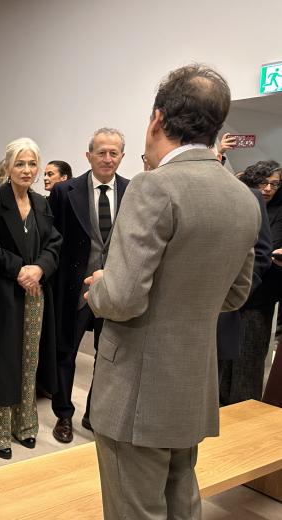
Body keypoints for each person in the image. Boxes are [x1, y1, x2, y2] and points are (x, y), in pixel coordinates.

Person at [85, 64, 260, 519]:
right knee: (182, 500)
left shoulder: (153, 186)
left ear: (157, 119)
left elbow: (122, 298)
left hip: (136, 390)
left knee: (134, 508)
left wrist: (100, 288)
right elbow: (236, 294)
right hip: (192, 383)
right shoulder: (242, 196)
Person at [0, 138, 61, 459]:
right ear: (8, 167)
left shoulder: (42, 202)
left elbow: (54, 243)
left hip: (36, 293)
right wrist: (21, 271)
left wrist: (39, 269)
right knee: (2, 361)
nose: (26, 170)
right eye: (20, 164)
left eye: (31, 164)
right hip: (4, 293)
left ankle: (24, 426)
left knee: (30, 360)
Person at [48, 127, 130, 443]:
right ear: (88, 155)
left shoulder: (134, 191)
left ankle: (93, 413)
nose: (107, 158)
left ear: (121, 156)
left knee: (107, 355)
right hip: (73, 289)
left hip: (115, 291)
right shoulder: (65, 191)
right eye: (101, 152)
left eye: (114, 153)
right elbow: (53, 241)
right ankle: (63, 415)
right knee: (65, 353)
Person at [220, 160, 282, 403]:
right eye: (263, 182)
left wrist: (246, 285)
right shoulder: (242, 203)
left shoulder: (278, 212)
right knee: (225, 356)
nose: (267, 189)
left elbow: (265, 252)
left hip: (259, 295)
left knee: (248, 360)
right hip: (231, 292)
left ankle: (243, 413)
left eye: (274, 184)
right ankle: (223, 408)